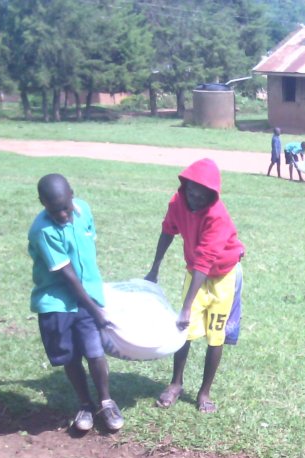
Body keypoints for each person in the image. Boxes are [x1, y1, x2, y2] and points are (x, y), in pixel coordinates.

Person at [144, 159, 245, 413]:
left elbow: (205, 259)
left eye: (203, 197)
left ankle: (204, 392)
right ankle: (176, 383)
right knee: (184, 331)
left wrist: (187, 305)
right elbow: (168, 230)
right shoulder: (177, 203)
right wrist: (155, 268)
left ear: (212, 195)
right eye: (192, 193)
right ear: (185, 187)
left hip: (222, 275)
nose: (196, 200)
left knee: (215, 335)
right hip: (196, 272)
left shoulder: (217, 216)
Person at [28, 173, 124, 434]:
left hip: (87, 296)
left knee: (94, 351)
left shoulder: (84, 210)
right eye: (54, 209)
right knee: (70, 356)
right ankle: (84, 403)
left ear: (72, 194)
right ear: (42, 203)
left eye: (65, 207)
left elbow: (88, 250)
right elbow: (68, 276)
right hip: (57, 302)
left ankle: (106, 402)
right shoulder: (43, 230)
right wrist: (97, 312)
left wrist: (95, 297)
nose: (62, 215)